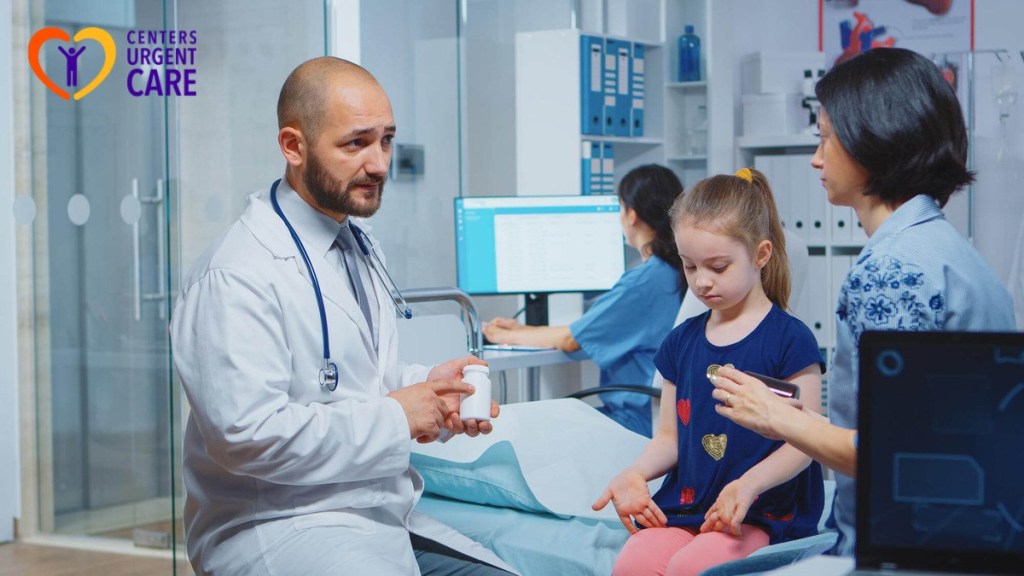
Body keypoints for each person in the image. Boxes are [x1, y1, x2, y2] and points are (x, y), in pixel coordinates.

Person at [169, 57, 515, 576]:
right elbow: (247, 437)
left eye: (387, 140)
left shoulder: (355, 241)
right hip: (278, 527)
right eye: (356, 143)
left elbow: (351, 378)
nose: (379, 163)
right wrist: (400, 415)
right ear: (293, 146)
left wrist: (427, 389)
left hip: (373, 515)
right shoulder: (236, 275)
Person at [708, 47, 1016, 566]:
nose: (816, 158)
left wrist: (779, 419)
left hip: (910, 547)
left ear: (875, 138)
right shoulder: (949, 252)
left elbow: (898, 456)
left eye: (826, 136)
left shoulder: (890, 271)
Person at [592, 168, 826, 576]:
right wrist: (636, 473)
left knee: (691, 568)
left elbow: (805, 442)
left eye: (718, 267)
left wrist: (747, 486)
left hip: (760, 511)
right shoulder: (681, 343)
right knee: (632, 565)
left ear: (761, 255)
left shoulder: (791, 340)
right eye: (689, 267)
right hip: (690, 505)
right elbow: (670, 438)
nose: (702, 282)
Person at [483, 164, 685, 437]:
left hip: (636, 421)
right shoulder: (679, 271)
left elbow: (572, 339)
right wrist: (522, 330)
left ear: (631, 214)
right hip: (667, 418)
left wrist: (502, 336)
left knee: (530, 426)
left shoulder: (644, 283)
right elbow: (582, 332)